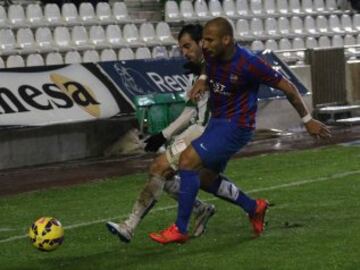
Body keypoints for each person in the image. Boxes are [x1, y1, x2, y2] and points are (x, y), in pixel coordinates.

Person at [149, 17, 331, 244]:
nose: (203, 45)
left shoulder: (250, 63)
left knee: (187, 162)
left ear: (227, 40)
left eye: (209, 39)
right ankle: (254, 207)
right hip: (217, 123)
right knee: (205, 178)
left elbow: (289, 88)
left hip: (236, 127)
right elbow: (207, 64)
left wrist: (307, 119)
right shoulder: (212, 54)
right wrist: (203, 79)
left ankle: (180, 228)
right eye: (203, 39)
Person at [106, 24, 216, 243]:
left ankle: (130, 226)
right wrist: (163, 135)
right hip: (198, 131)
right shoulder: (197, 72)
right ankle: (209, 208)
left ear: (201, 43)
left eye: (187, 46)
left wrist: (164, 135)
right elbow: (190, 110)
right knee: (180, 176)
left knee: (161, 168)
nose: (184, 52)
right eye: (181, 48)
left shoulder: (215, 68)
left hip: (206, 132)